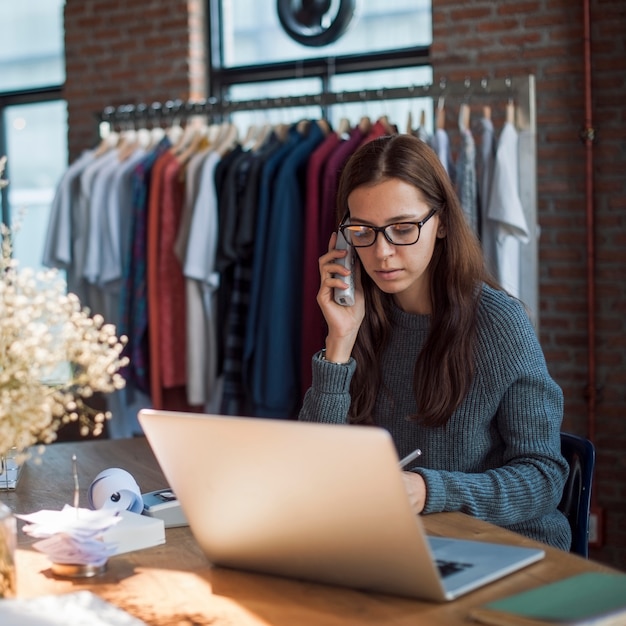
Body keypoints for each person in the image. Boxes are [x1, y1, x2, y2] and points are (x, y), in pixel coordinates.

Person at [298, 133, 571, 551]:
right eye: (362, 232)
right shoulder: (360, 319)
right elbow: (314, 468)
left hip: (504, 549)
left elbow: (544, 478)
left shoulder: (499, 324)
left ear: (441, 222)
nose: (382, 252)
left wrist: (428, 491)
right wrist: (339, 341)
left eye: (403, 228)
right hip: (402, 543)